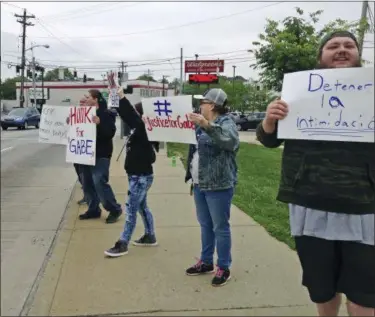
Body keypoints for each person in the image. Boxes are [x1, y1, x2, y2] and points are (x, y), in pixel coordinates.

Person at [256, 31, 375, 316]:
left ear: (359, 55)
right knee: (322, 289)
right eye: (333, 46)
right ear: (320, 57)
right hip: (310, 204)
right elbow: (268, 139)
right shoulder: (296, 93)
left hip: (365, 206)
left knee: (365, 295)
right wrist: (270, 119)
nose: (342, 49)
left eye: (349, 45)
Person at [184, 88, 240, 287]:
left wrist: (206, 125)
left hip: (218, 185)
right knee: (205, 225)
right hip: (199, 183)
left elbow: (230, 141)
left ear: (214, 105)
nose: (200, 105)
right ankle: (206, 261)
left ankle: (223, 266)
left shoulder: (226, 123)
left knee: (220, 227)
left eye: (204, 102)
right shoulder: (199, 125)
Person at [104, 87, 158, 257]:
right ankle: (150, 235)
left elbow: (131, 116)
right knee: (142, 207)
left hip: (141, 177)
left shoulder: (143, 128)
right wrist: (115, 98)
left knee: (131, 209)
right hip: (138, 175)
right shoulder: (139, 129)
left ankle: (123, 243)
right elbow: (128, 116)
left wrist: (121, 97)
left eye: (137, 112)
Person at [78, 89, 123, 224]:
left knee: (99, 182)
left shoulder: (106, 114)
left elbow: (109, 133)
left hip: (101, 154)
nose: (85, 99)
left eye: (87, 97)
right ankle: (93, 209)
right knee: (87, 183)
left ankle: (114, 209)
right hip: (85, 153)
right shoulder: (82, 113)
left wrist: (99, 124)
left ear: (95, 99)